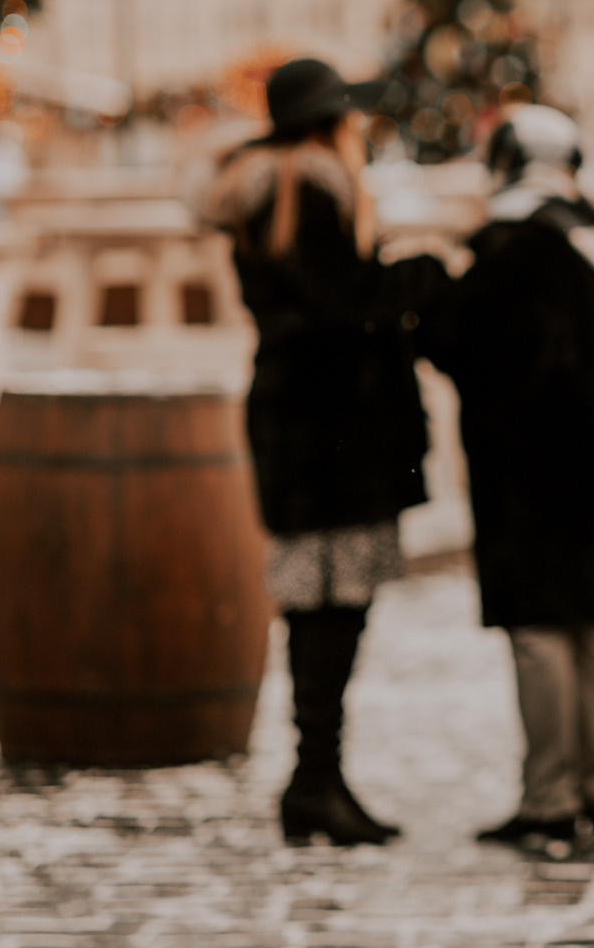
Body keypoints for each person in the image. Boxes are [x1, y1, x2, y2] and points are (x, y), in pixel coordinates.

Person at [202, 57, 449, 846]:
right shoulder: (307, 185)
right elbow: (344, 303)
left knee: (320, 604)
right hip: (332, 428)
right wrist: (422, 272)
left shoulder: (261, 186)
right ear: (330, 123)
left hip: (296, 419)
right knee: (332, 609)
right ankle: (315, 781)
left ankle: (318, 778)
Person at [423, 103, 594, 851]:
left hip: (528, 470)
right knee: (585, 627)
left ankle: (548, 797)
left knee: (537, 629)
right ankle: (593, 785)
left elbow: (464, 346)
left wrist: (428, 285)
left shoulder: (509, 243)